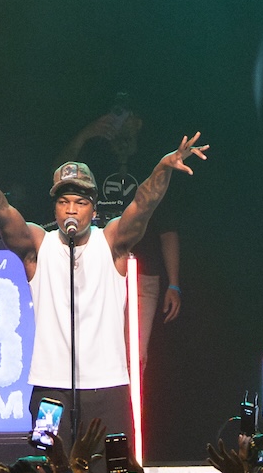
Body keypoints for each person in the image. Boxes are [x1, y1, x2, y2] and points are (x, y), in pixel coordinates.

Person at [0, 130, 207, 456]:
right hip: (50, 389)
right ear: (55, 210)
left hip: (108, 389)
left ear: (94, 209)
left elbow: (142, 206)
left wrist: (162, 169)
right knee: (48, 467)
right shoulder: (38, 246)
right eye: (63, 202)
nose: (71, 210)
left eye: (80, 203)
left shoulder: (112, 243)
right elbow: (1, 210)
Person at [57, 96, 185, 379]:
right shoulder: (96, 160)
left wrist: (174, 283)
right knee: (91, 351)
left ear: (138, 122)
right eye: (114, 115)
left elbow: (167, 228)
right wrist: (86, 134)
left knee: (134, 357)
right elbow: (59, 178)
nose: (118, 123)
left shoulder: (149, 164)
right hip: (97, 269)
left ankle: (128, 418)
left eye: (125, 116)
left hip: (142, 273)